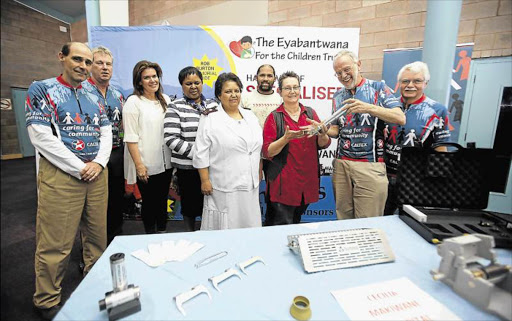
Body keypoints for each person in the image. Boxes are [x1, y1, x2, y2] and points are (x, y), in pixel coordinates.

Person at [26, 42, 112, 320]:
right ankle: (47, 299)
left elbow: (107, 131)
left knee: (97, 236)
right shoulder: (42, 88)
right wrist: (79, 167)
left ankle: (93, 280)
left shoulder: (95, 94)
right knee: (56, 243)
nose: (84, 67)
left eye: (88, 62)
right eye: (77, 59)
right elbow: (40, 135)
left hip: (97, 174)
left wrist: (98, 163)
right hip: (61, 175)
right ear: (61, 56)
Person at [325, 50, 405, 220]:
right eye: (338, 73)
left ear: (358, 64)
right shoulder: (338, 95)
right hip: (342, 164)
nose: (343, 75)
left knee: (368, 221)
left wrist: (368, 107)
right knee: (343, 218)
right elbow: (336, 130)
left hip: (370, 165)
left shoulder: (378, 88)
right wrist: (323, 129)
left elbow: (400, 117)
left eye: (347, 69)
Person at [192, 72, 262, 230]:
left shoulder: (250, 116)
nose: (233, 95)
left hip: (250, 184)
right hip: (223, 184)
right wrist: (204, 180)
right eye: (228, 91)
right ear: (219, 95)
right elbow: (200, 153)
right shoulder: (210, 118)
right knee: (226, 226)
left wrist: (258, 171)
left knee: (249, 224)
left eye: (237, 91)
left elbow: (257, 148)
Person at [262, 71, 331, 225]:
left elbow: (323, 143)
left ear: (300, 90)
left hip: (307, 183)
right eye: (287, 88)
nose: (292, 91)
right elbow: (267, 152)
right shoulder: (274, 117)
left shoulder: (310, 113)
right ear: (279, 91)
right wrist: (285, 139)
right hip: (283, 185)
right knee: (280, 225)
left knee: (296, 222)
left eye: (295, 87)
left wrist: (322, 133)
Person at [383, 61, 451, 215]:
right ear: (399, 83)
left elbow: (441, 148)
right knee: (381, 221)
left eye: (417, 81)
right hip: (383, 178)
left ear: (425, 83)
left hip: (415, 181)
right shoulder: (388, 106)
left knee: (410, 224)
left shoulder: (437, 110)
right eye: (405, 81)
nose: (410, 85)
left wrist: (440, 181)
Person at [164, 67, 218, 231]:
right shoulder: (175, 107)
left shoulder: (214, 105)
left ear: (202, 83)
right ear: (182, 86)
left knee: (211, 206)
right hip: (187, 169)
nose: (193, 86)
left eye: (197, 82)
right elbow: (171, 139)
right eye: (188, 83)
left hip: (213, 168)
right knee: (190, 208)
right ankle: (190, 235)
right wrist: (200, 154)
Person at [123, 60, 172, 234]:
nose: (152, 80)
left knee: (162, 201)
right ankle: (150, 237)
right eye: (147, 77)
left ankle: (162, 233)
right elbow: (130, 137)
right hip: (146, 164)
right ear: (139, 81)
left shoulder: (165, 100)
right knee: (150, 204)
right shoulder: (133, 102)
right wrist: (139, 165)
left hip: (166, 163)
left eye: (155, 76)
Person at [82, 46, 125, 244]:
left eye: (108, 64)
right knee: (93, 206)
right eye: (99, 63)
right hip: (91, 157)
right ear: (91, 66)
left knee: (115, 201)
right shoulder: (80, 92)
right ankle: (91, 251)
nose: (104, 67)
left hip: (115, 155)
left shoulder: (118, 95)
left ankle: (115, 241)